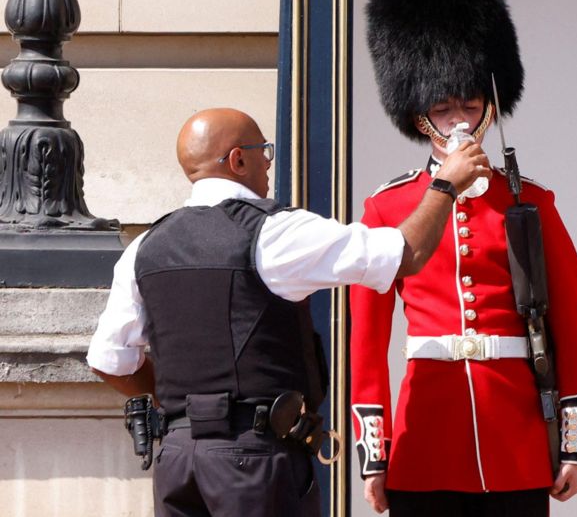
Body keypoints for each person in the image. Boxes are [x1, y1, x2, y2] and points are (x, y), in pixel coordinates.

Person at [86, 107, 490, 517]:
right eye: (264, 151)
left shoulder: (145, 247)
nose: (267, 164)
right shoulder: (273, 232)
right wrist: (444, 184)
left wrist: (185, 407)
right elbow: (406, 253)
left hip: (177, 460)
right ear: (238, 159)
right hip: (255, 460)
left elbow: (109, 361)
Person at [350, 0, 577, 517]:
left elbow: (573, 328)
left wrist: (573, 442)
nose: (460, 118)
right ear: (421, 120)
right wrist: (375, 452)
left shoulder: (529, 202)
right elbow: (367, 342)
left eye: (470, 103)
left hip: (513, 435)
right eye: (444, 107)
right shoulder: (387, 206)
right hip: (426, 437)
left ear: (489, 108)